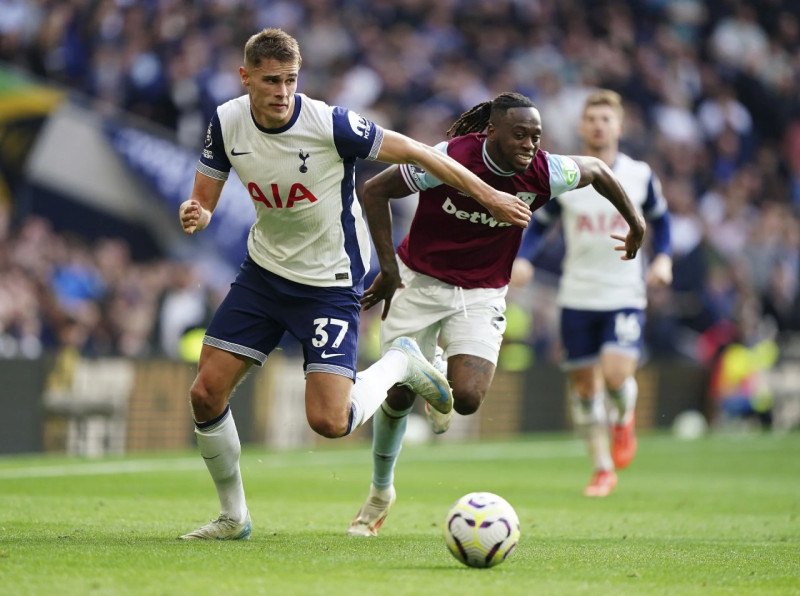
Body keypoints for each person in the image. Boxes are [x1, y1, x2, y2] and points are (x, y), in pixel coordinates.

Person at [176, 28, 533, 541]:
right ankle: (234, 516)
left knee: (329, 421)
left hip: (330, 280)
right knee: (205, 393)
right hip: (264, 274)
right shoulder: (227, 120)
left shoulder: (331, 123)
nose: (282, 92)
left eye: (291, 80)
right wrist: (198, 212)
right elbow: (205, 197)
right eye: (271, 80)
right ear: (245, 77)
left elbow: (418, 152)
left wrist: (491, 197)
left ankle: (403, 362)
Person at [347, 92, 646, 537]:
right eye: (520, 135)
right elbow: (374, 190)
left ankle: (429, 375)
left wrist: (636, 223)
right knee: (398, 398)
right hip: (420, 280)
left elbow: (599, 171)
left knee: (467, 399)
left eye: (537, 136)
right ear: (492, 132)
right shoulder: (448, 159)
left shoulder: (546, 171)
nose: (530, 145)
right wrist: (388, 269)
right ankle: (380, 491)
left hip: (482, 292)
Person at [512, 89, 673, 497]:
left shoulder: (639, 175)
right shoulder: (567, 174)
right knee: (585, 388)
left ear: (619, 126)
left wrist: (663, 259)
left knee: (617, 375)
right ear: (582, 126)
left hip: (623, 293)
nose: (599, 125)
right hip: (576, 295)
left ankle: (624, 419)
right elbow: (540, 223)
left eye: (606, 119)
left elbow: (661, 221)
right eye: (592, 119)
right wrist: (525, 258)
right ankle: (602, 469)